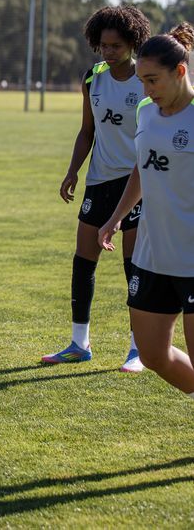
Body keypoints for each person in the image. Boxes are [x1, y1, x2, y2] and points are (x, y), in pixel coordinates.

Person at [42, 5, 151, 372]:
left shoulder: (147, 81)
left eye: (116, 45)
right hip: (99, 181)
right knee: (83, 259)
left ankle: (138, 349)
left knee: (133, 266)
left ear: (133, 43)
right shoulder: (93, 79)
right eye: (103, 45)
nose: (108, 51)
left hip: (137, 183)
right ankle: (79, 342)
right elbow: (87, 131)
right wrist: (73, 171)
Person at [99, 23, 194, 398]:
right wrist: (116, 216)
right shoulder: (145, 110)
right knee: (153, 353)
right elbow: (143, 166)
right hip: (153, 255)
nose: (146, 90)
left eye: (153, 81)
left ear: (180, 72)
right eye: (141, 81)